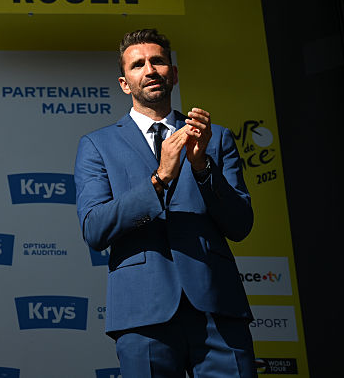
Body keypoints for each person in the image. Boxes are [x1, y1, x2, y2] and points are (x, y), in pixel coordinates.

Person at [74, 28, 255, 377]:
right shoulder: (97, 145)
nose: (150, 70)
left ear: (173, 73)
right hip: (142, 314)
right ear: (125, 83)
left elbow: (241, 224)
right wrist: (159, 179)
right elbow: (95, 229)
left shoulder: (215, 138)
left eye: (158, 61)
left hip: (218, 308)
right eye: (138, 64)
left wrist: (202, 167)